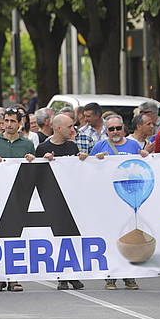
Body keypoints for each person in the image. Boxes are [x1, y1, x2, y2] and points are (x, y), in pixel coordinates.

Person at [89, 115, 147, 291]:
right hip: (110, 201)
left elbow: (142, 168)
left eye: (118, 128)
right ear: (106, 131)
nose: (115, 132)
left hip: (130, 200)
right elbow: (88, 169)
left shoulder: (133, 145)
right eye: (111, 129)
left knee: (131, 238)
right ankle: (111, 277)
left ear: (124, 129)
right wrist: (96, 161)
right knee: (112, 237)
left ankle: (129, 276)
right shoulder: (100, 146)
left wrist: (145, 156)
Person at [0, 108, 35, 292]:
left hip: (19, 197)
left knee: (16, 239)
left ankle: (14, 278)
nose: (9, 124)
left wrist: (31, 160)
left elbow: (32, 171)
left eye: (13, 121)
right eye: (6, 121)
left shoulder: (27, 144)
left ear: (19, 123)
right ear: (2, 123)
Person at [35, 114, 87, 290]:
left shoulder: (72, 146)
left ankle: (72, 274)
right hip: (52, 199)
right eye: (70, 127)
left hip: (71, 198)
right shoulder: (42, 148)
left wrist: (83, 160)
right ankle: (62, 276)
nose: (73, 130)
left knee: (72, 238)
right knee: (58, 238)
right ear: (58, 128)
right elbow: (35, 173)